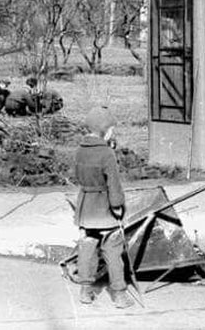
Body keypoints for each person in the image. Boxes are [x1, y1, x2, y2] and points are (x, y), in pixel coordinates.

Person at [73, 106, 133, 309]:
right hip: (104, 211)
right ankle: (119, 295)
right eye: (111, 130)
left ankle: (85, 291)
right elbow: (113, 185)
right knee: (113, 253)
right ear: (104, 130)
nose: (112, 133)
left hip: (85, 209)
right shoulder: (107, 154)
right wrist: (117, 207)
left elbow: (78, 176)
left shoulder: (80, 150)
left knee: (87, 251)